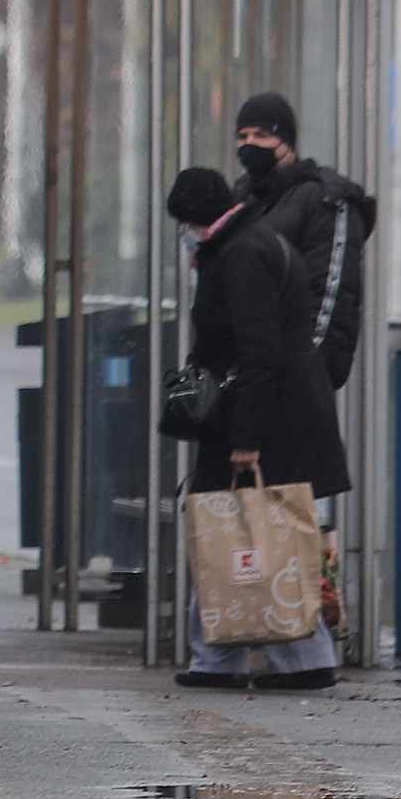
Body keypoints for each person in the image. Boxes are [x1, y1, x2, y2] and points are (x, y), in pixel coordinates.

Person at [166, 155, 347, 692]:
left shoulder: (240, 255)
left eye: (187, 224)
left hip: (264, 419)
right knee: (254, 535)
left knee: (234, 532)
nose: (186, 235)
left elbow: (258, 351)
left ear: (200, 218)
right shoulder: (251, 241)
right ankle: (271, 657)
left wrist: (245, 439)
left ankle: (241, 658)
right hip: (277, 412)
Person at [232, 91, 376, 393]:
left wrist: (304, 374)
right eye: (242, 136)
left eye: (262, 135)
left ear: (287, 141)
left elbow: (330, 294)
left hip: (294, 382)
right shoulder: (243, 197)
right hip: (248, 375)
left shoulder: (327, 198)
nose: (250, 144)